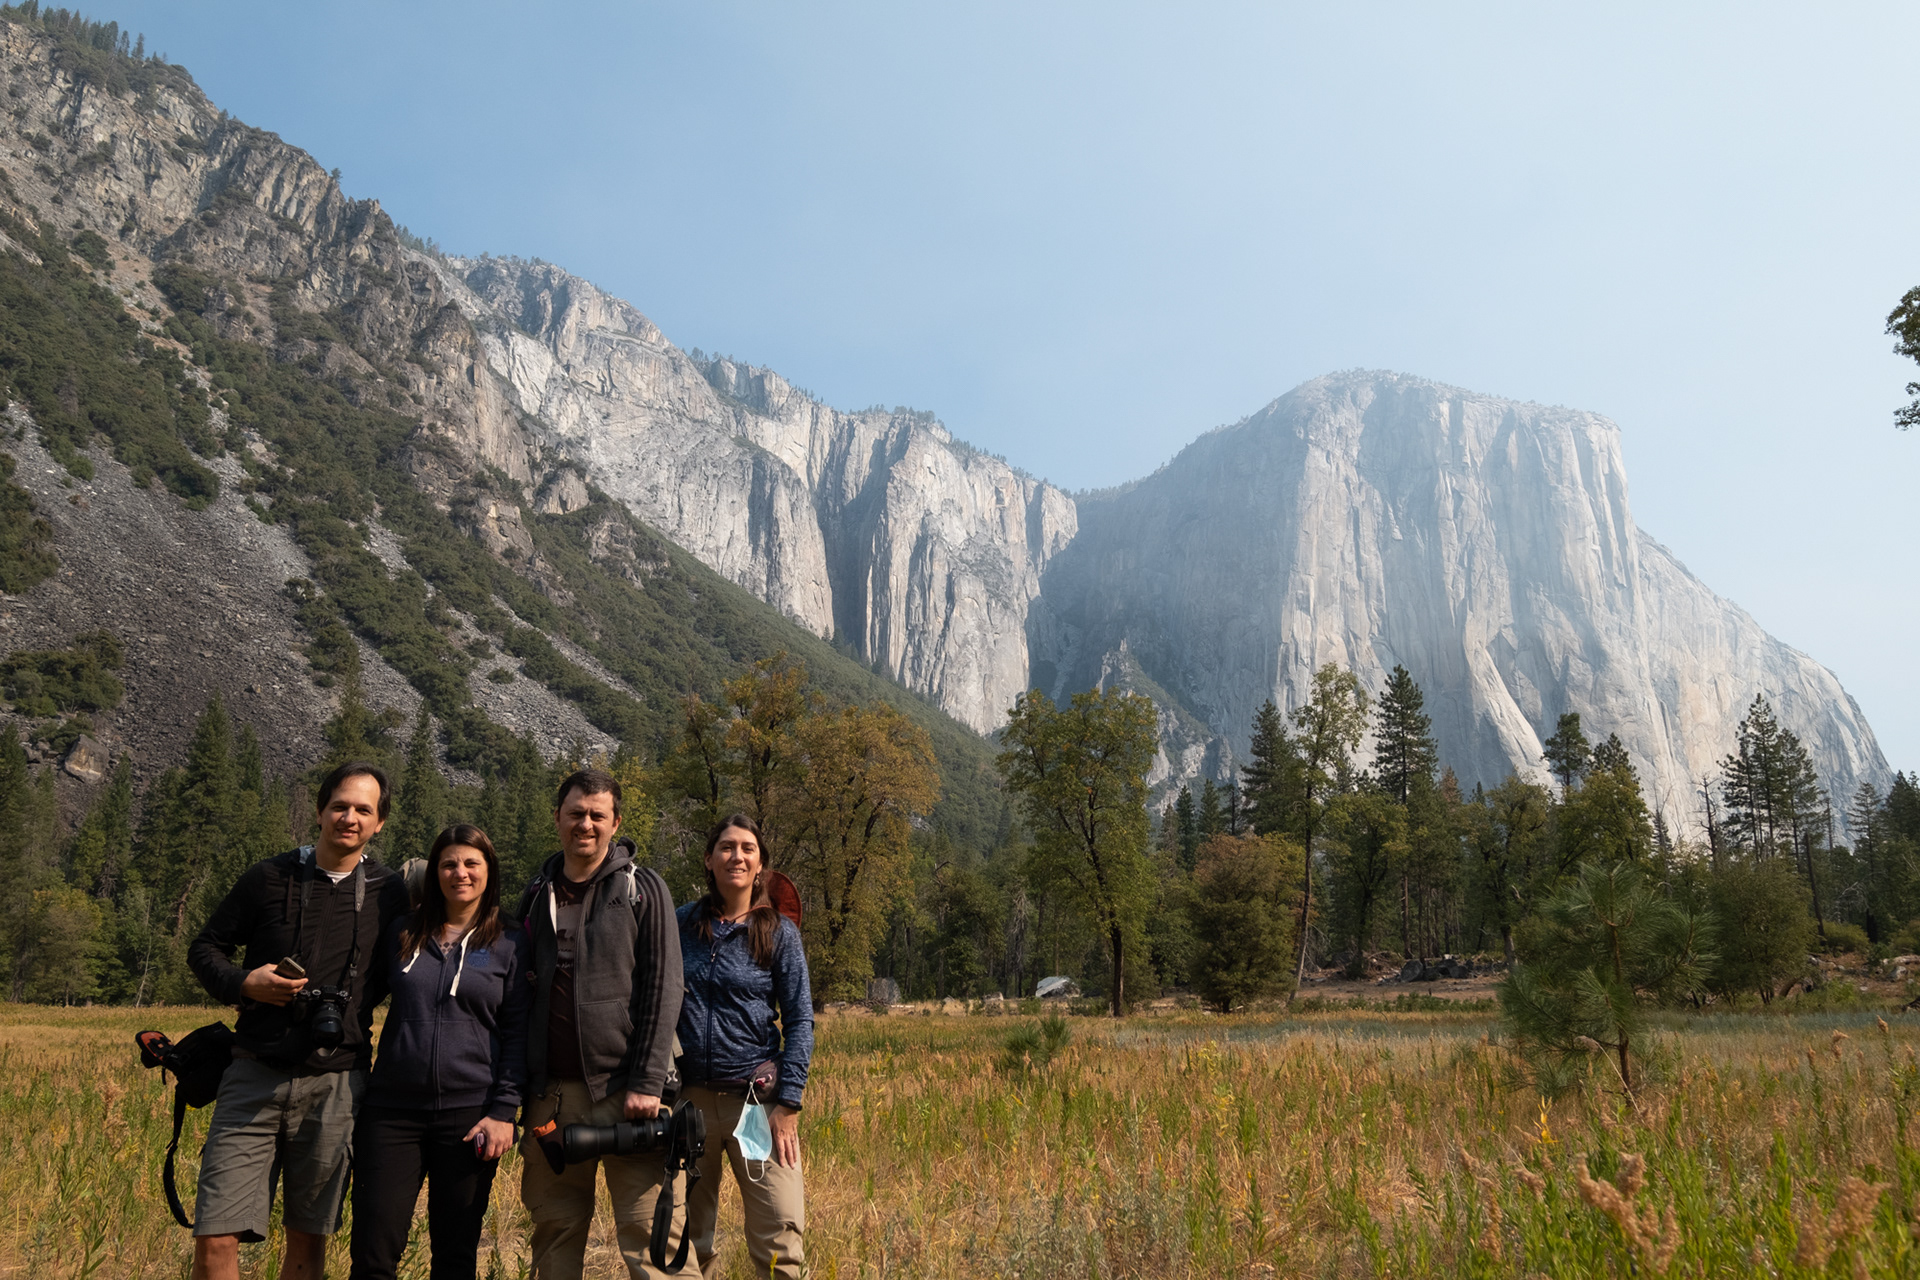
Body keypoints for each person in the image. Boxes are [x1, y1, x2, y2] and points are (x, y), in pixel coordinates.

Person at [186, 762, 411, 1280]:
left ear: (380, 824)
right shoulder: (269, 877)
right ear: (319, 810)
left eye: (363, 810)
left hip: (338, 1081)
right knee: (216, 1235)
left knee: (309, 1239)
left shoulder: (390, 892)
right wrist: (245, 983)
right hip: (253, 1073)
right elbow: (205, 948)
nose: (349, 818)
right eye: (339, 806)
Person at [517, 768, 688, 1279]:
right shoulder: (535, 892)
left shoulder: (643, 888)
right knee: (555, 1233)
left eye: (597, 815)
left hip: (625, 1094)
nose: (585, 824)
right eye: (575, 813)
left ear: (616, 823)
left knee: (651, 1239)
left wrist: (647, 1082)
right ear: (557, 819)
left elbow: (664, 987)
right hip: (552, 1096)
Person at [350, 824, 528, 1280]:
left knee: (454, 1257)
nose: (460, 873)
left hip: (470, 1117)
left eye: (472, 863)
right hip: (391, 1113)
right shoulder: (402, 934)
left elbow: (518, 1032)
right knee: (373, 1255)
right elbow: (358, 1003)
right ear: (435, 872)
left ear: (489, 871)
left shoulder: (509, 941)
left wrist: (504, 1110)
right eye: (449, 863)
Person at [675, 815, 812, 1280]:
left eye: (748, 848)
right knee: (688, 1239)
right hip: (688, 1103)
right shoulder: (680, 924)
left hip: (755, 1105)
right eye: (727, 847)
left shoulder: (778, 933)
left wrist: (789, 1102)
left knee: (779, 1232)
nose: (737, 856)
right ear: (709, 860)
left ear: (760, 866)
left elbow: (800, 1021)